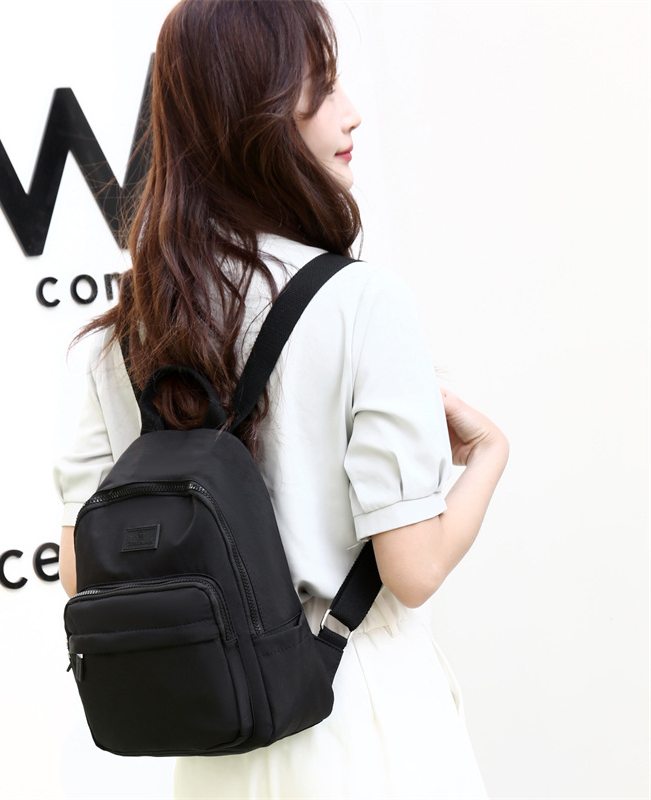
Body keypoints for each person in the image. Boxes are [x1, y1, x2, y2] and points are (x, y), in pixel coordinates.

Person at [54, 0, 509, 797]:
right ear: (253, 113)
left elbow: (79, 571)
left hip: (218, 743)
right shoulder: (362, 301)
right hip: (362, 722)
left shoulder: (122, 337)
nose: (351, 112)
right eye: (322, 87)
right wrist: (491, 456)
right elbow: (412, 568)